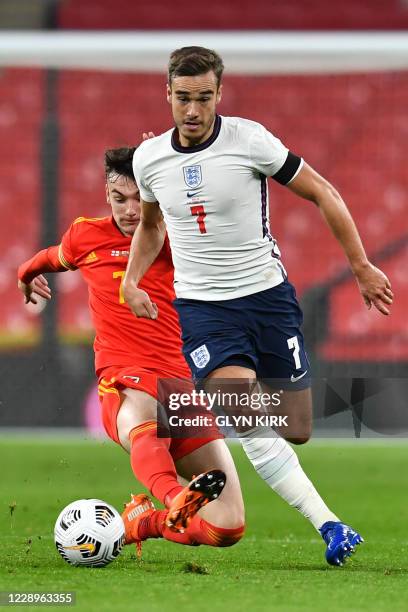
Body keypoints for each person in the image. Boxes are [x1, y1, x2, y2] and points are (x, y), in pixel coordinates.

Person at [122, 47, 393, 564]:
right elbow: (152, 225)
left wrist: (360, 266)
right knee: (241, 407)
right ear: (168, 95)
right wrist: (132, 280)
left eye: (204, 98)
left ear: (220, 93)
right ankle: (331, 526)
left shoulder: (250, 140)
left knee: (296, 427)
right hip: (204, 308)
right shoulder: (149, 158)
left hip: (268, 299)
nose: (193, 111)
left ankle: (199, 409)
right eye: (183, 99)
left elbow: (323, 192)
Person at [17, 146, 245, 554]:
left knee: (227, 527)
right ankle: (173, 496)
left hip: (179, 386)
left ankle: (144, 521)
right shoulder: (86, 235)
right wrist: (26, 273)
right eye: (120, 198)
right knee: (143, 413)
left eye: (140, 197)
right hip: (124, 376)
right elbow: (52, 257)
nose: (130, 209)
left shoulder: (177, 237)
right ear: (107, 195)